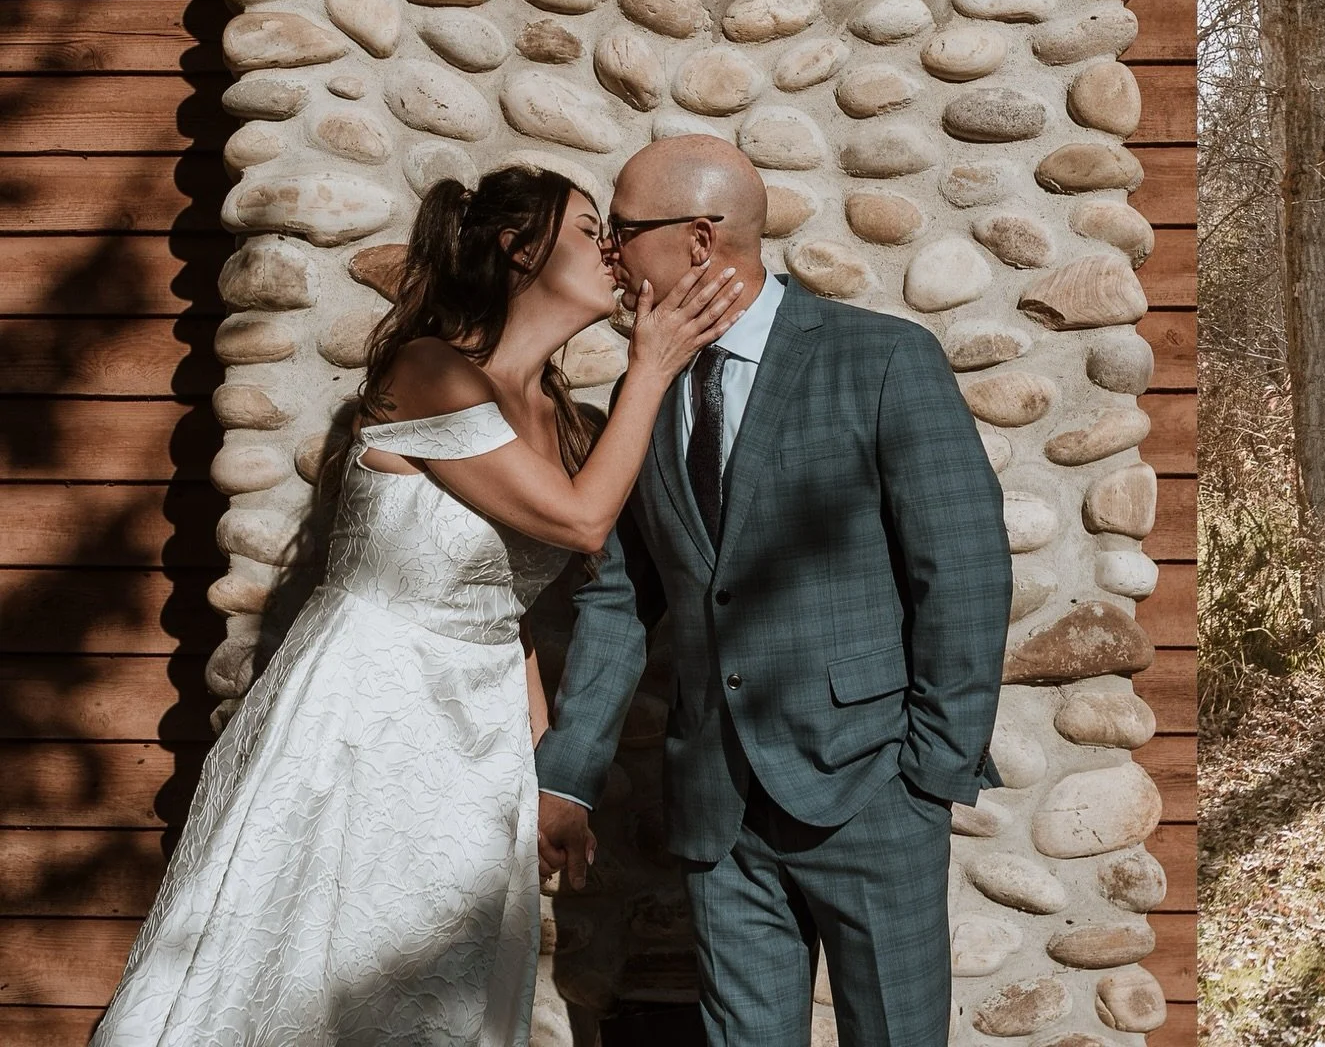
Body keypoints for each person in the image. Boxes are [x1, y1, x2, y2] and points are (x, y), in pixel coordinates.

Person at [93, 164, 746, 1047]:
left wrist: (550, 775)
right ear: (519, 251)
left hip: (476, 739)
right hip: (365, 715)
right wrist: (654, 367)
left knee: (442, 985)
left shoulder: (562, 421)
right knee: (312, 965)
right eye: (588, 229)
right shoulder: (432, 369)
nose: (611, 251)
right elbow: (585, 521)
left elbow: (503, 609)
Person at [534, 138, 1012, 1047]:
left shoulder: (881, 360)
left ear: (701, 241)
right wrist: (572, 771)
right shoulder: (648, 392)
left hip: (873, 788)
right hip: (718, 803)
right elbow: (620, 599)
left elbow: (964, 568)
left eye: (624, 231)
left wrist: (929, 772)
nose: (609, 254)